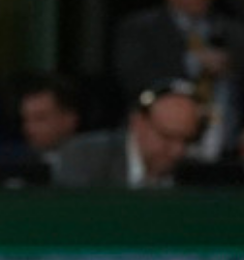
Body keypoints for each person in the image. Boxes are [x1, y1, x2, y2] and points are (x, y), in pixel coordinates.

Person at [110, 0, 244, 163]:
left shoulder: (234, 32)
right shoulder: (140, 29)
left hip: (228, 156)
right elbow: (135, 81)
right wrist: (192, 64)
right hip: (160, 156)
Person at [53, 80, 204, 189]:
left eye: (187, 140)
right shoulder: (85, 157)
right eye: (167, 137)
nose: (178, 151)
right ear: (138, 123)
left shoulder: (196, 175)